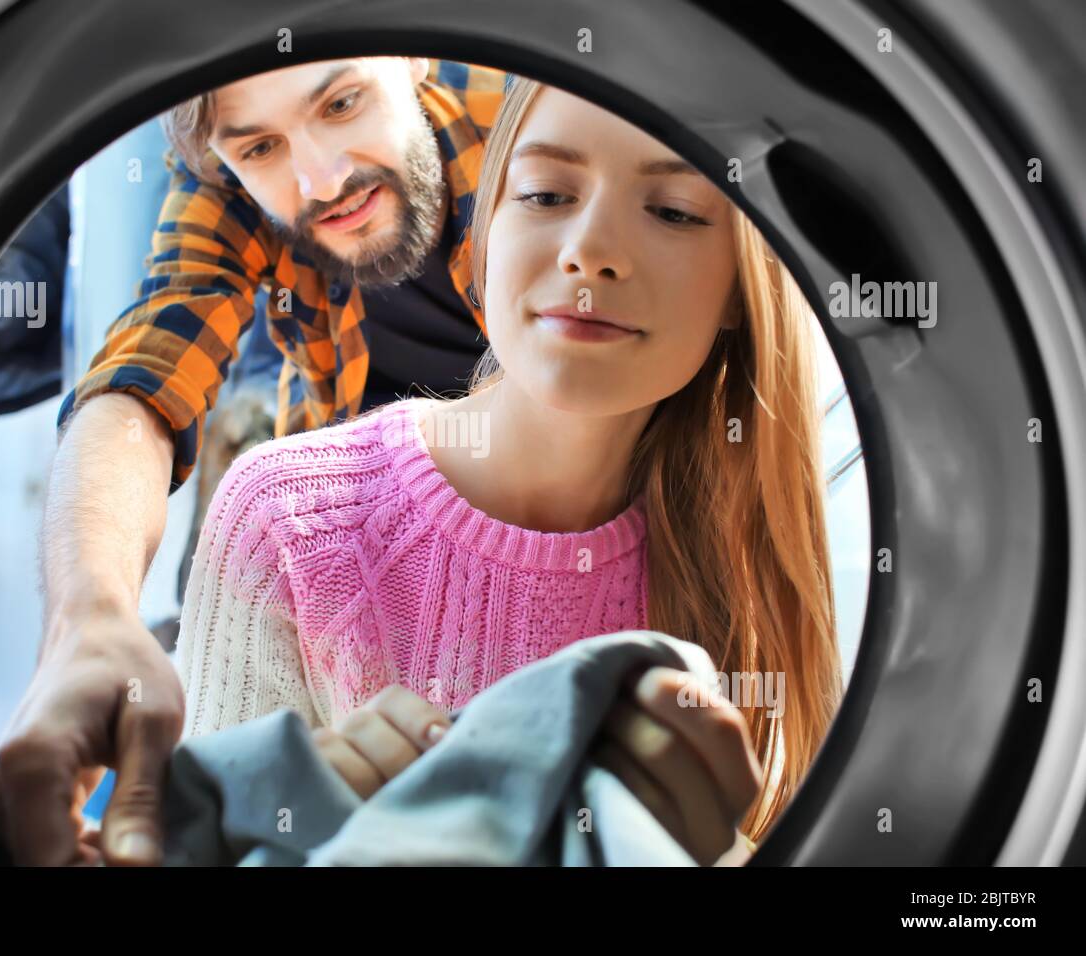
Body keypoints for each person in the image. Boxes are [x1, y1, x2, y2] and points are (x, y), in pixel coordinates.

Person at [173, 78, 846, 866]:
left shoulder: (753, 568)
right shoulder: (283, 517)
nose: (589, 250)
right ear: (485, 234)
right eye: (546, 193)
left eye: (673, 211)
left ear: (740, 288)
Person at [0, 57, 511, 867]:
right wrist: (90, 615)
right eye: (260, 148)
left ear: (413, 59)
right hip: (370, 541)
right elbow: (145, 372)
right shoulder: (230, 185)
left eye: (342, 102)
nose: (322, 179)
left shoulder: (530, 119)